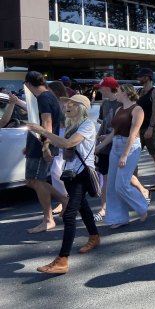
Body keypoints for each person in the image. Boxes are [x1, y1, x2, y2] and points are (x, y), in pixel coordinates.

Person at [29, 94, 99, 274]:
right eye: (67, 103)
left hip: (82, 173)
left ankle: (62, 260)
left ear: (82, 108)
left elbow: (68, 143)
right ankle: (94, 236)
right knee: (83, 207)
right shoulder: (70, 125)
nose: (68, 106)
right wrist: (45, 145)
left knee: (69, 215)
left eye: (73, 104)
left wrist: (43, 131)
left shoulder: (87, 125)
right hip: (70, 173)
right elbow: (60, 144)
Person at [93, 78, 150, 221]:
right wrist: (99, 146)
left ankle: (142, 208)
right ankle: (118, 218)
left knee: (121, 185)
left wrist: (124, 155)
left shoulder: (137, 109)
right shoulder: (118, 109)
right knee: (112, 186)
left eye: (118, 90)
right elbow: (114, 132)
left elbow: (133, 133)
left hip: (130, 147)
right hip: (116, 146)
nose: (115, 92)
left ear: (125, 93)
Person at [23, 71, 68, 234]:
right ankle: (63, 199)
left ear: (28, 84)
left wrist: (45, 146)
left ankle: (48, 220)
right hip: (38, 143)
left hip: (42, 145)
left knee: (37, 181)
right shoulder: (49, 96)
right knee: (31, 180)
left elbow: (47, 123)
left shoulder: (43, 98)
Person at [136, 68, 155, 190]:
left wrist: (151, 128)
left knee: (154, 153)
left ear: (147, 77)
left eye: (141, 76)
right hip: (139, 128)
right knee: (134, 154)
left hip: (150, 128)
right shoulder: (140, 91)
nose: (139, 78)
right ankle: (135, 181)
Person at [46, 81, 69, 215]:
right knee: (56, 171)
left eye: (50, 90)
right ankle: (63, 200)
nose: (48, 92)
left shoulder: (65, 104)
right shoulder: (53, 103)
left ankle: (65, 200)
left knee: (57, 171)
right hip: (56, 136)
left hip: (65, 136)